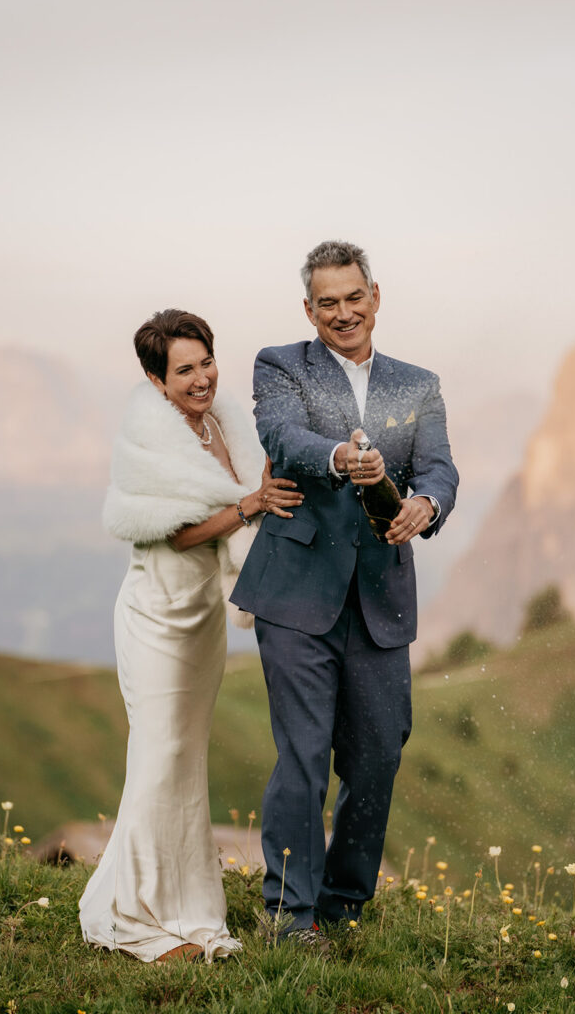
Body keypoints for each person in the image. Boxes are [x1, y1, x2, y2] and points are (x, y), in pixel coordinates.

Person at [231, 241, 459, 941]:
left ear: (375, 296)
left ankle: (342, 907)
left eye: (352, 297)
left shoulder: (417, 383)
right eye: (326, 302)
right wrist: (336, 456)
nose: (342, 313)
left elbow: (441, 469)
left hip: (382, 599)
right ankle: (289, 916)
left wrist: (426, 504)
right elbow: (283, 434)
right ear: (309, 309)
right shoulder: (280, 365)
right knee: (303, 751)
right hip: (296, 594)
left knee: (379, 755)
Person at [79, 308, 303, 963]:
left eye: (205, 361)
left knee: (184, 763)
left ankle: (188, 909)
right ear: (156, 380)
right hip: (154, 616)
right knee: (157, 757)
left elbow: (252, 489)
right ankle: (135, 917)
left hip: (202, 615)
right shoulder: (147, 436)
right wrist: (247, 507)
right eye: (184, 370)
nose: (202, 378)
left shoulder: (223, 421)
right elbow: (175, 529)